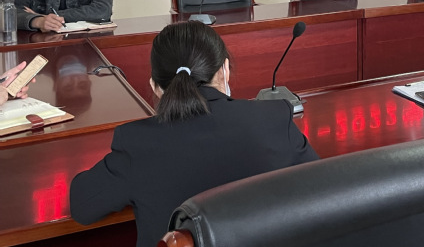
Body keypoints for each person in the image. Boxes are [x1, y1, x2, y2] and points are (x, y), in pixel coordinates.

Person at [70, 21, 318, 247]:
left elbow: (82, 206)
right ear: (224, 70)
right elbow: (320, 190)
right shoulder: (274, 118)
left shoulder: (138, 142)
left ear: (155, 86)